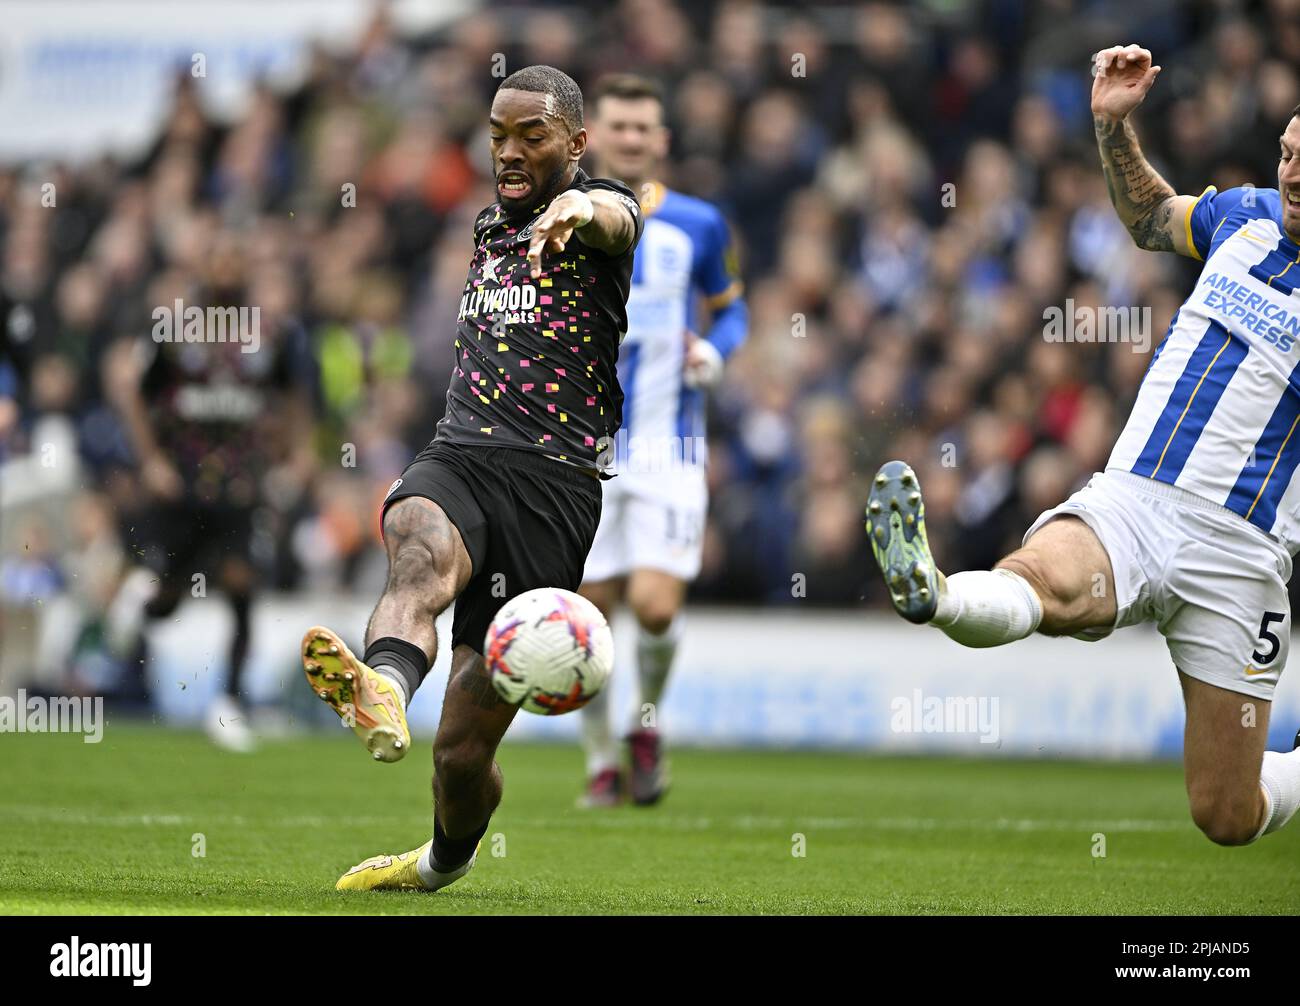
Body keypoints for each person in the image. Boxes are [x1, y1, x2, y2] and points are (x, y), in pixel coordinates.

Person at [867, 45, 1300, 847]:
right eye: (1286, 154)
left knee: (1226, 813)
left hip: (1240, 555)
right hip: (1134, 501)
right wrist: (1111, 126)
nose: (1293, 175)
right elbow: (1147, 219)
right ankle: (934, 590)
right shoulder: (1246, 217)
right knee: (1041, 582)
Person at [304, 65, 644, 893]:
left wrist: (581, 207)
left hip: (554, 483)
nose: (510, 151)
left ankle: (437, 863)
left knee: (462, 754)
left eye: (532, 135)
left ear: (576, 142)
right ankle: (382, 689)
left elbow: (618, 220)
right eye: (498, 135)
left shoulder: (600, 214)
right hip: (461, 449)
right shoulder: (489, 226)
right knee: (416, 542)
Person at [575, 74, 747, 806]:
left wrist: (716, 353)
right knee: (586, 611)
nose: (633, 139)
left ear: (662, 140)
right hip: (585, 450)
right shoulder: (568, 218)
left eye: (645, 128)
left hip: (669, 448)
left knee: (653, 606)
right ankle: (600, 764)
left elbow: (733, 313)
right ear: (593, 138)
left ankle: (646, 724)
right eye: (620, 127)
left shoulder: (699, 225)